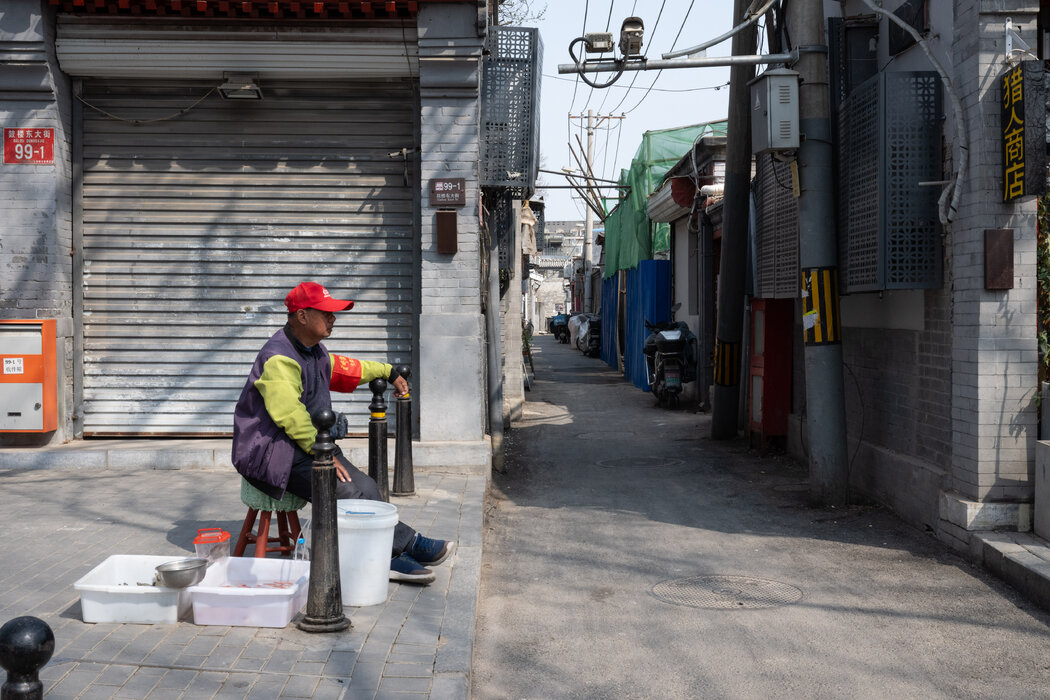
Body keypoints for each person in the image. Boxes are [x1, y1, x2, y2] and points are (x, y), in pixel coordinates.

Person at [232, 281, 452, 584]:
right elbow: (289, 416)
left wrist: (388, 372)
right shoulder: (279, 358)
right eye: (326, 313)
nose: (332, 318)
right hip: (273, 455)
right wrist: (325, 452)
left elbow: (349, 369)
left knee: (368, 487)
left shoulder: (314, 352)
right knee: (348, 492)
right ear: (302, 316)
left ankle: (391, 555)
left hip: (305, 448)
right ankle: (401, 549)